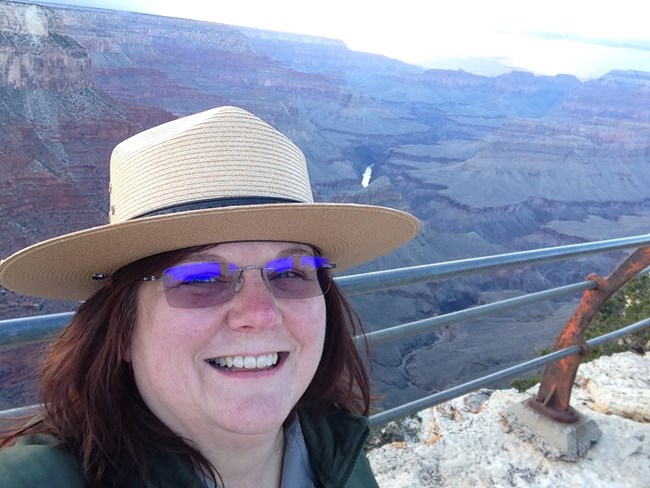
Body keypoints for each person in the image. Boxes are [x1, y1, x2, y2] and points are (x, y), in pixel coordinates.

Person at [0, 106, 419, 487]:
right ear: (123, 329)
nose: (259, 313)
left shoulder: (335, 449)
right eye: (201, 279)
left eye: (292, 272)